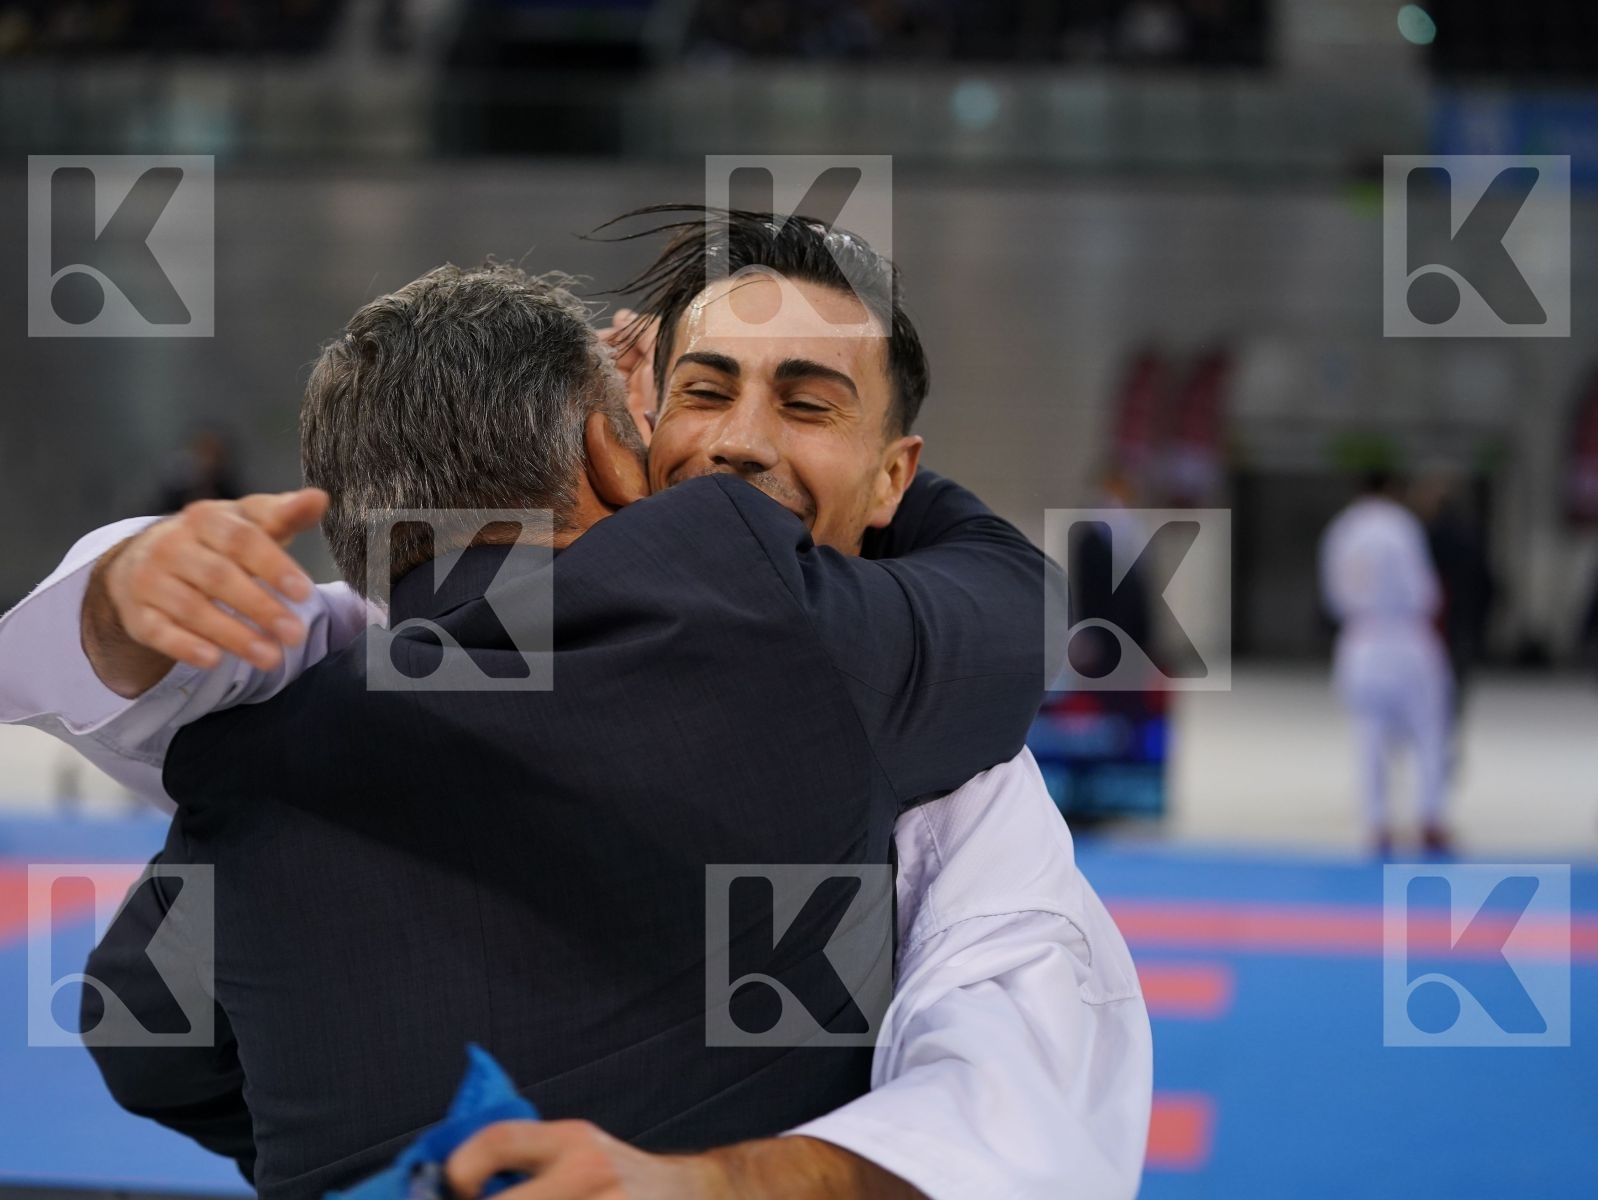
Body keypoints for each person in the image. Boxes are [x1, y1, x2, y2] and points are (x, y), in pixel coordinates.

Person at [2, 218, 1150, 1198]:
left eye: (807, 403)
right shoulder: (764, 611)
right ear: (624, 440)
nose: (741, 445)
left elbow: (143, 1033)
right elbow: (1013, 602)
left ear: (895, 472)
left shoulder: (258, 746)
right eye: (704, 391)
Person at [1319, 467, 1453, 855]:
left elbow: (1332, 594)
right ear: (1392, 489)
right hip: (1405, 635)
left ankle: (1377, 823)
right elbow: (1422, 589)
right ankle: (1430, 817)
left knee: (1368, 736)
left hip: (1360, 639)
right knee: (1428, 732)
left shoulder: (1341, 530)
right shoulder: (1400, 525)